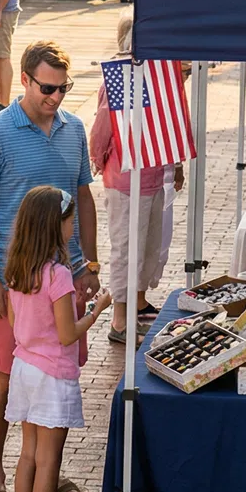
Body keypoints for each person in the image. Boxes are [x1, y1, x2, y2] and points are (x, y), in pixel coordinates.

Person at [0, 41, 101, 492]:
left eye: (64, 88)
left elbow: (84, 197)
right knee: (4, 375)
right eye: (48, 88)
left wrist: (89, 265)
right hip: (15, 283)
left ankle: (47, 469)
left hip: (66, 278)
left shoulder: (74, 128)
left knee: (57, 373)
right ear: (24, 79)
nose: (56, 97)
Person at [3, 185, 112, 492]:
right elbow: (67, 334)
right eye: (70, 222)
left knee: (28, 455)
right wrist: (96, 310)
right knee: (49, 461)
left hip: (25, 368)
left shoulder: (18, 269)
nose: (73, 228)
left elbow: (18, 322)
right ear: (55, 226)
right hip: (53, 375)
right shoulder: (58, 274)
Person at [90, 18, 182, 343]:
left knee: (149, 245)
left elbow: (170, 122)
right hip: (126, 178)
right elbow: (103, 126)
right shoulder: (120, 76)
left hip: (152, 174)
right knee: (127, 249)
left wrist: (176, 163)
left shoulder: (160, 76)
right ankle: (119, 319)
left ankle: (135, 306)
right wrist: (98, 159)